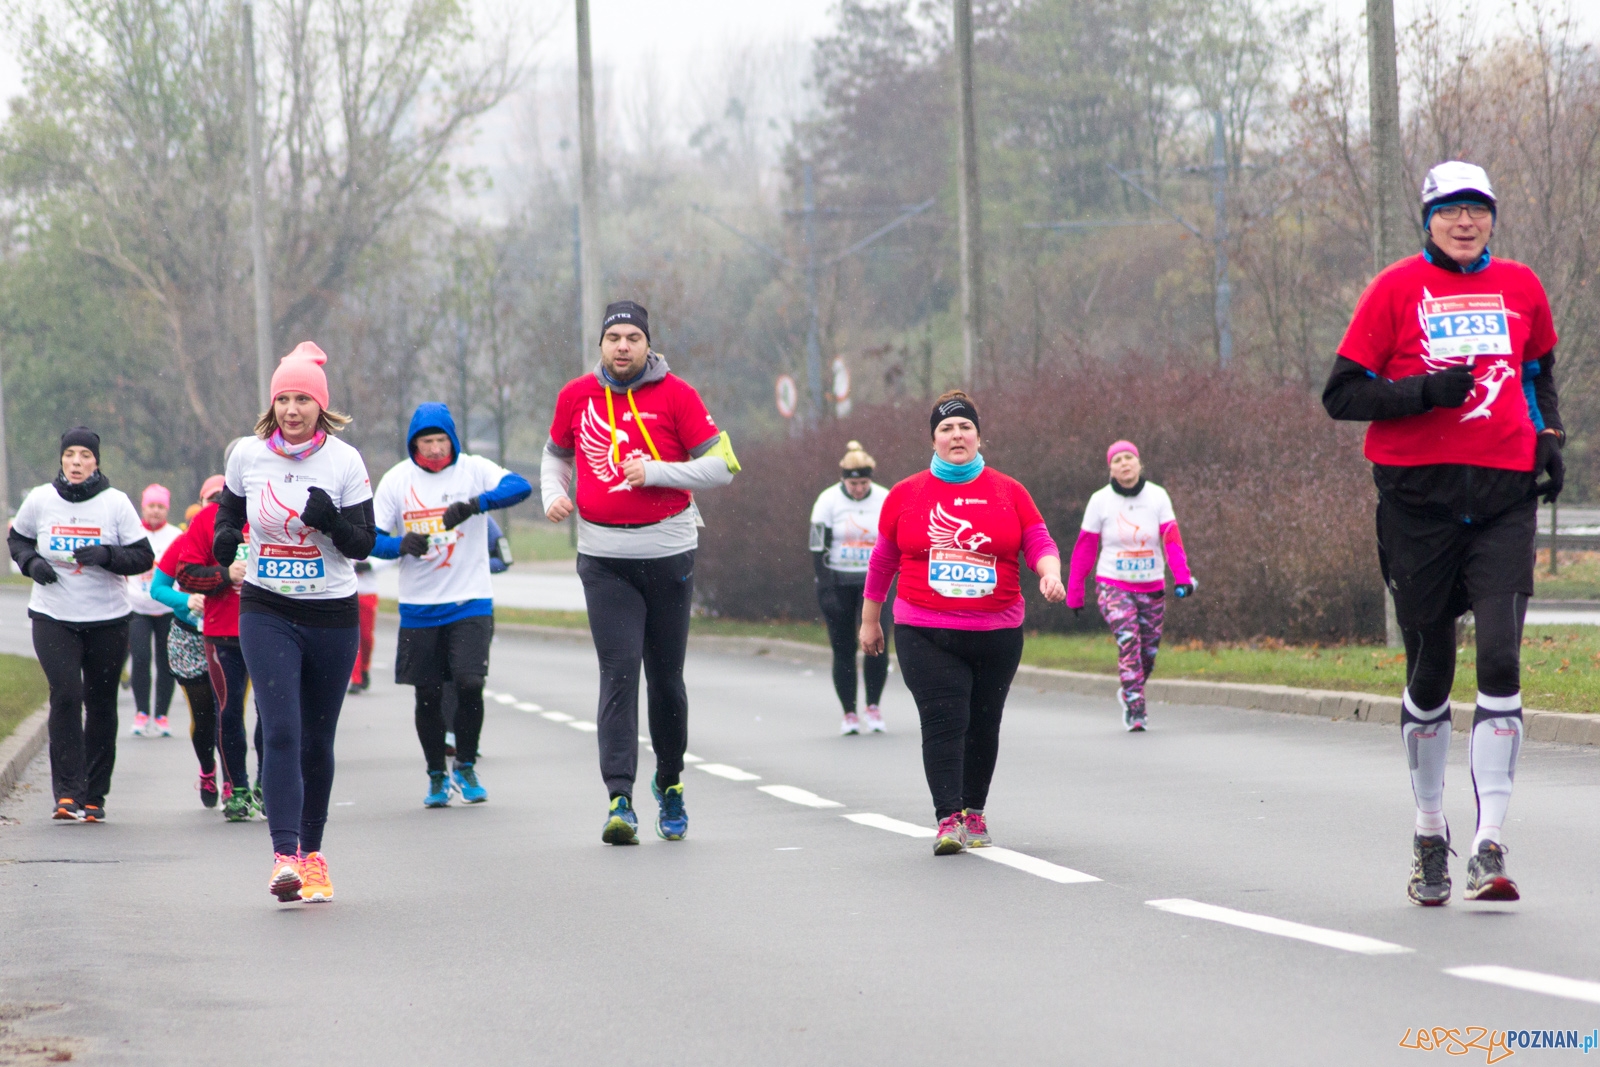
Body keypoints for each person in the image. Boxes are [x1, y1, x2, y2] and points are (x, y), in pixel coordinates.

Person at [1322, 161, 1564, 906]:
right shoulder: (1395, 290)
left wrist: (1549, 436)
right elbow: (1341, 394)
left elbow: (1538, 372)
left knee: (1500, 656)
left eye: (1478, 209)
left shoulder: (1522, 287)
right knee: (1431, 670)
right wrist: (1423, 392)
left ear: (1493, 218)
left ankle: (1489, 844)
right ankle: (1431, 830)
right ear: (1427, 219)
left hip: (1501, 501)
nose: (1465, 222)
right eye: (1450, 210)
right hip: (1418, 505)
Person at [541, 300, 740, 845]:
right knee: (619, 671)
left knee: (666, 680)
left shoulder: (678, 395)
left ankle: (670, 783)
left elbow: (723, 467)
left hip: (668, 555)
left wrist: (657, 471)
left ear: (648, 344)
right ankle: (620, 799)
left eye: (632, 337)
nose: (623, 346)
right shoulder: (575, 396)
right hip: (604, 560)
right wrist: (554, 492)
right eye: (614, 339)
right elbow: (554, 455)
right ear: (601, 346)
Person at [859, 391, 1065, 855]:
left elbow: (1037, 539)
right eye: (946, 429)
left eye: (964, 427)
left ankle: (975, 812)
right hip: (925, 630)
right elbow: (884, 558)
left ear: (978, 435)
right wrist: (870, 621)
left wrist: (1050, 573)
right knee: (944, 718)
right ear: (933, 439)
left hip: (997, 631)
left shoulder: (1008, 490)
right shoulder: (906, 494)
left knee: (984, 723)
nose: (957, 435)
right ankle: (948, 818)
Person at [214, 343, 375, 902]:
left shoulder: (345, 462)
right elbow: (229, 512)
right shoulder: (248, 456)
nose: (290, 408)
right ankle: (283, 856)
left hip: (331, 612)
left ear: (320, 405)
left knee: (316, 740)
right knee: (279, 728)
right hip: (267, 607)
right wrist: (222, 539)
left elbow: (363, 544)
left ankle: (312, 854)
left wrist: (329, 519)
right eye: (282, 398)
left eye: (302, 398)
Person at [370, 402, 531, 807]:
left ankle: (466, 764)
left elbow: (520, 486)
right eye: (428, 441)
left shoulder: (473, 470)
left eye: (443, 440)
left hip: (470, 600)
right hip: (419, 606)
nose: (437, 448)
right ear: (415, 444)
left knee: (469, 683)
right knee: (426, 694)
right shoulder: (397, 481)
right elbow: (368, 537)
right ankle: (436, 775)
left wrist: (476, 504)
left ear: (453, 441)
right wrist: (397, 544)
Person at [8, 428, 154, 822]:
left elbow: (143, 557)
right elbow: (18, 539)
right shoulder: (41, 499)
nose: (76, 462)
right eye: (69, 454)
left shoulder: (115, 503)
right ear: (61, 459)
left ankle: (94, 795)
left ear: (96, 461)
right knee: (67, 694)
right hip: (53, 615)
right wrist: (31, 563)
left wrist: (108, 555)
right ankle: (67, 794)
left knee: (101, 702)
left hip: (107, 619)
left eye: (84, 455)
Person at [1065, 441, 1196, 732]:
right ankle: (1137, 711)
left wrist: (1182, 577)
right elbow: (1085, 549)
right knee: (1129, 641)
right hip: (1113, 585)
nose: (1124, 464)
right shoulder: (1100, 500)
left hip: (1151, 586)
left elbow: (1172, 540)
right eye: (1117, 460)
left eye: (1129, 458)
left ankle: (1129, 690)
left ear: (1139, 463)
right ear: (1110, 468)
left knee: (1147, 654)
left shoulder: (1157, 496)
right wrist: (1075, 593)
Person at [175, 472, 261, 822]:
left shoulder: (274, 512)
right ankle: (237, 789)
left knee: (274, 712)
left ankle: (267, 786)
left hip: (271, 628)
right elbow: (184, 575)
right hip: (223, 632)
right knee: (228, 711)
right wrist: (226, 575)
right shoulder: (207, 520)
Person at [809, 440, 891, 735]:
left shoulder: (884, 498)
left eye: (864, 483)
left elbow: (897, 542)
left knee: (877, 646)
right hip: (838, 582)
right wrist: (826, 586)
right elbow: (817, 547)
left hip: (875, 584)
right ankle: (849, 713)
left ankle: (873, 706)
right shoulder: (828, 501)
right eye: (854, 483)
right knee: (842, 648)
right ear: (844, 480)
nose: (859, 489)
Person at [148, 531, 219, 807]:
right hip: (188, 637)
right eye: (210, 500)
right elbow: (157, 588)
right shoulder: (184, 542)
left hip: (229, 637)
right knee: (203, 717)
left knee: (229, 714)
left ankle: (234, 784)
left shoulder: (244, 540)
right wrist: (186, 601)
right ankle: (207, 771)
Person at [126, 484, 184, 738]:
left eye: (161, 506)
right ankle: (141, 712)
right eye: (152, 506)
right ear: (143, 506)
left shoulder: (175, 535)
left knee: (166, 662)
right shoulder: (132, 533)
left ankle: (161, 715)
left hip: (167, 607)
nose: (156, 511)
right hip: (137, 607)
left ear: (167, 509)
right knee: (140, 658)